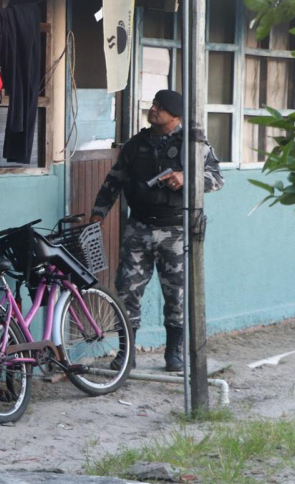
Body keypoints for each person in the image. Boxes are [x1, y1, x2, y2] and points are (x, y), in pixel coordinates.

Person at [90, 89, 224, 372]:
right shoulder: (136, 144)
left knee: (176, 295)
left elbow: (216, 179)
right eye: (153, 104)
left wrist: (185, 177)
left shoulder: (193, 143)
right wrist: (98, 213)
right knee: (126, 292)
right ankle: (126, 354)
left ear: (175, 116)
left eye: (160, 107)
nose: (153, 109)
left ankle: (173, 353)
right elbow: (114, 180)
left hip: (175, 230)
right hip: (138, 227)